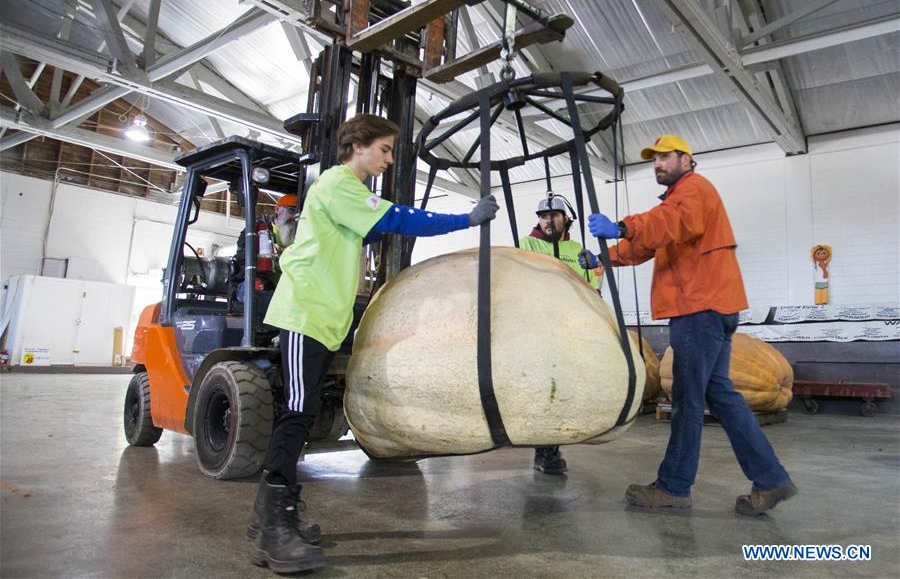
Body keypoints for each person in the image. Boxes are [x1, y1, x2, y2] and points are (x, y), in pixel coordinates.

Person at [250, 113, 500, 573]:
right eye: (384, 149)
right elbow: (397, 219)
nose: (389, 159)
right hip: (306, 313)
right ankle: (272, 524)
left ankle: (275, 513)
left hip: (325, 318)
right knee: (298, 414)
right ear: (358, 145)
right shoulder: (338, 184)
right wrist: (463, 218)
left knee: (301, 416)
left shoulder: (348, 191)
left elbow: (380, 224)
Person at [578, 134, 796, 516]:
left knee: (686, 401)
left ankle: (674, 487)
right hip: (712, 307)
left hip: (699, 307)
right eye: (654, 160)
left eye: (665, 157)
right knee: (721, 397)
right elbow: (649, 243)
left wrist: (622, 225)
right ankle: (771, 478)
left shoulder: (694, 191)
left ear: (686, 159)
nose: (658, 164)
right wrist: (602, 256)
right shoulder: (679, 198)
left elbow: (669, 223)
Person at [519, 194, 602, 474]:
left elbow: (592, 286)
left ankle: (550, 447)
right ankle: (544, 450)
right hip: (537, 325)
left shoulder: (578, 248)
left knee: (563, 386)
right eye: (543, 216)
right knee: (542, 387)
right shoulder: (526, 244)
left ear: (566, 219)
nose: (547, 220)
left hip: (570, 327)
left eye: (554, 215)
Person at [232, 193, 299, 301]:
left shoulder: (306, 237)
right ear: (277, 210)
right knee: (252, 287)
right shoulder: (257, 230)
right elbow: (243, 260)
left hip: (292, 289)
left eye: (299, 215)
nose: (294, 217)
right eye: (291, 211)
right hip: (265, 285)